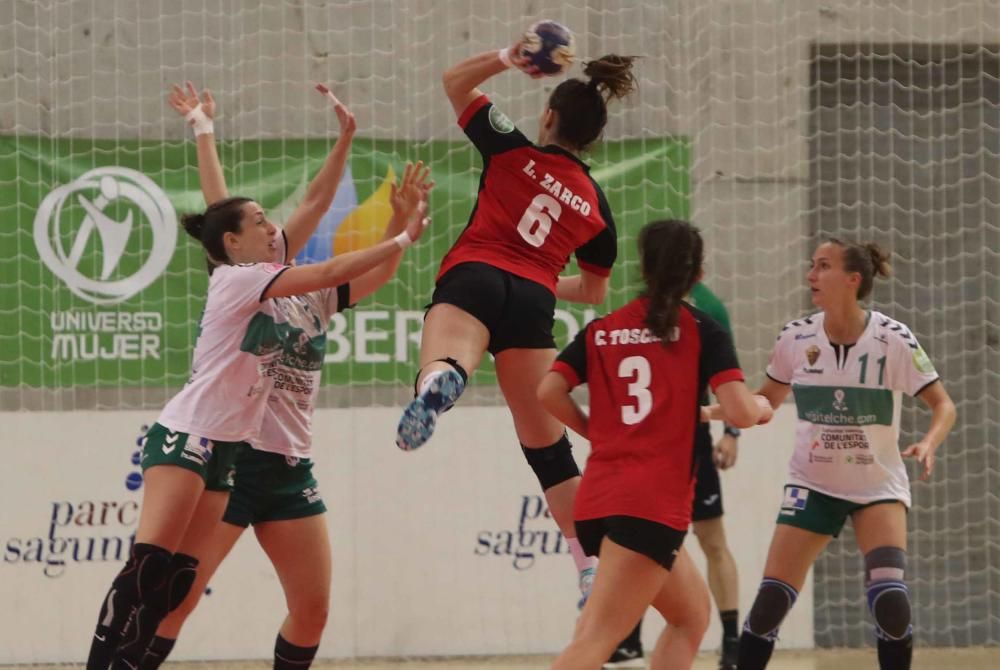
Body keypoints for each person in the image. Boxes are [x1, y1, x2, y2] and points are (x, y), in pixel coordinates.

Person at [85, 83, 432, 670]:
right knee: (173, 599)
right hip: (235, 455)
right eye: (266, 223)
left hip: (290, 466)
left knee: (313, 608)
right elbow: (225, 208)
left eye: (276, 222)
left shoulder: (304, 287)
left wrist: (349, 146)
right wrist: (202, 130)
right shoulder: (247, 276)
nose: (277, 227)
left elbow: (325, 210)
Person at [395, 34, 636, 601]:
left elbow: (454, 81)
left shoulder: (513, 148)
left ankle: (442, 381)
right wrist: (545, 275)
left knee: (449, 354)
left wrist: (511, 58)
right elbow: (596, 290)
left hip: (475, 274)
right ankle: (590, 564)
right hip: (534, 301)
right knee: (548, 452)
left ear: (548, 116)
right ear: (594, 137)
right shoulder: (596, 207)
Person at [539, 220, 773, 670]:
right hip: (647, 508)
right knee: (593, 642)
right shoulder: (702, 329)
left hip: (598, 502)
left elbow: (548, 391)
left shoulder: (603, 330)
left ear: (644, 267)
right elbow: (741, 411)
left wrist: (601, 433)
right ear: (697, 273)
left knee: (691, 616)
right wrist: (762, 405)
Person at [732, 239, 956, 670]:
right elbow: (766, 400)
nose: (811, 275)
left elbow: (944, 405)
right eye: (812, 265)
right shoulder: (796, 336)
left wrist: (928, 442)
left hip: (876, 486)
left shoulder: (892, 338)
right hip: (812, 484)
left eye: (823, 266)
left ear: (853, 280)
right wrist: (733, 409)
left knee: (890, 601)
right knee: (770, 603)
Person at [607, 282, 744, 670]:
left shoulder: (708, 307)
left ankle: (733, 643)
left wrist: (731, 433)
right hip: (647, 440)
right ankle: (629, 638)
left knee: (711, 539)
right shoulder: (639, 308)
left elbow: (728, 377)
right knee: (648, 542)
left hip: (691, 437)